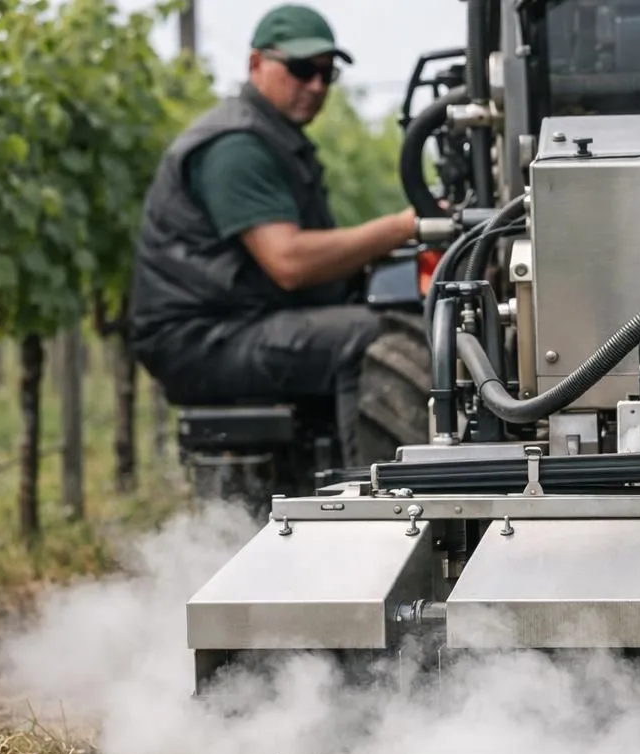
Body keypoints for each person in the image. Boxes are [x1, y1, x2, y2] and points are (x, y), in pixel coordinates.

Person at [129, 4, 422, 466]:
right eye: (302, 69)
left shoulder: (275, 137)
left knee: (404, 311)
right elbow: (289, 262)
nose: (316, 86)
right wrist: (402, 227)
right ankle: (379, 492)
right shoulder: (235, 145)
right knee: (370, 336)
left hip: (242, 322)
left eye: (326, 74)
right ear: (256, 63)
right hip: (203, 340)